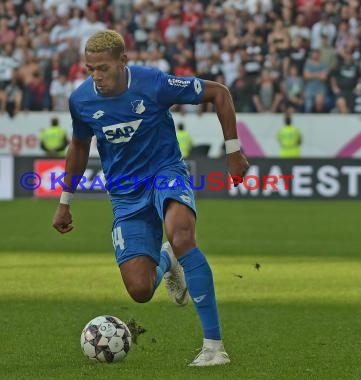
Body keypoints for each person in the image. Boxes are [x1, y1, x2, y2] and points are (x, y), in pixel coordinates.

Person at [51, 30, 249, 366]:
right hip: (125, 193)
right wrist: (65, 201)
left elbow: (219, 93)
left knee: (183, 234)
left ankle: (214, 347)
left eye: (104, 68)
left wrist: (233, 151)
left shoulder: (153, 83)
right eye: (90, 69)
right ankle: (167, 261)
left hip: (164, 172)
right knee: (140, 290)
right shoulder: (81, 101)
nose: (97, 76)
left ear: (122, 62)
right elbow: (80, 147)